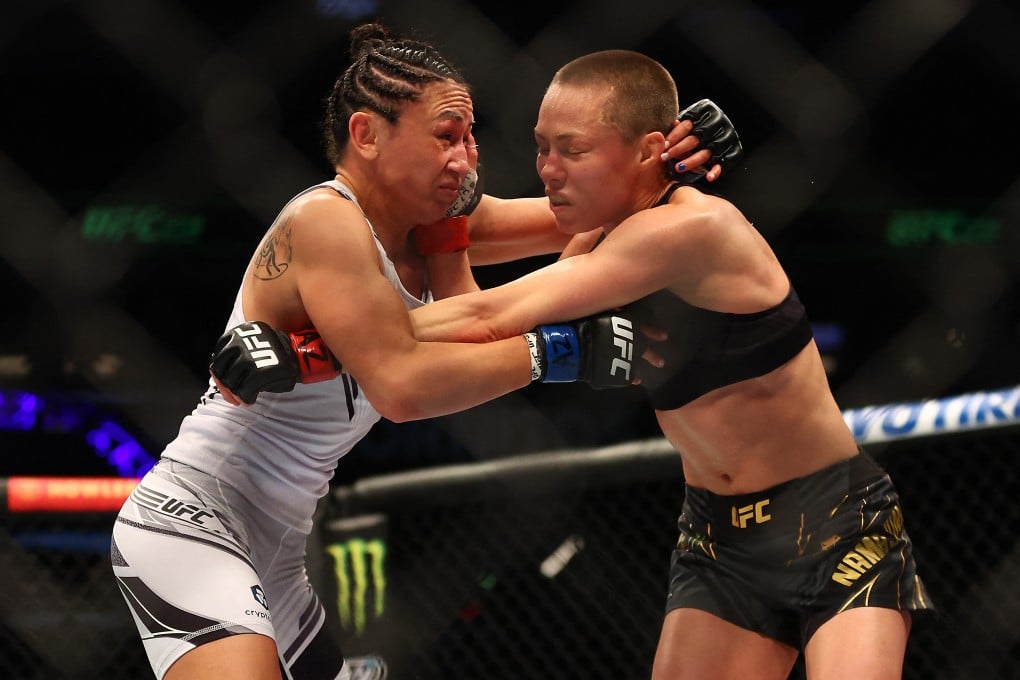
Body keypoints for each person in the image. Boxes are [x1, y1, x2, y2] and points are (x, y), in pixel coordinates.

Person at [219, 49, 933, 679]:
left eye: (572, 150)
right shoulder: (596, 239)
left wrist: (304, 343)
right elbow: (466, 313)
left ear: (647, 150)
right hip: (718, 540)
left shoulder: (692, 228)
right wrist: (319, 342)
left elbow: (489, 316)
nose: (548, 170)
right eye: (540, 148)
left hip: (836, 519)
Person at [111, 22, 736, 680]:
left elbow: (590, 213)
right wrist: (561, 351)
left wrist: (669, 160)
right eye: (445, 137)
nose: (465, 159)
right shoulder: (326, 222)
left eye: (468, 137)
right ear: (367, 136)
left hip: (281, 544)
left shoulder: (435, 227)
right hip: (194, 520)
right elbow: (402, 386)